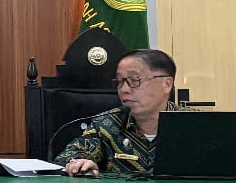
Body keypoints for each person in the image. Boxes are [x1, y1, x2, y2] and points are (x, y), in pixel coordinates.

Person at [58, 48, 193, 176]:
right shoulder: (108, 123)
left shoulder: (195, 123)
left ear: (167, 84)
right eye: (119, 82)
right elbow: (68, 156)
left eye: (134, 80)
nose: (124, 89)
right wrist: (79, 163)